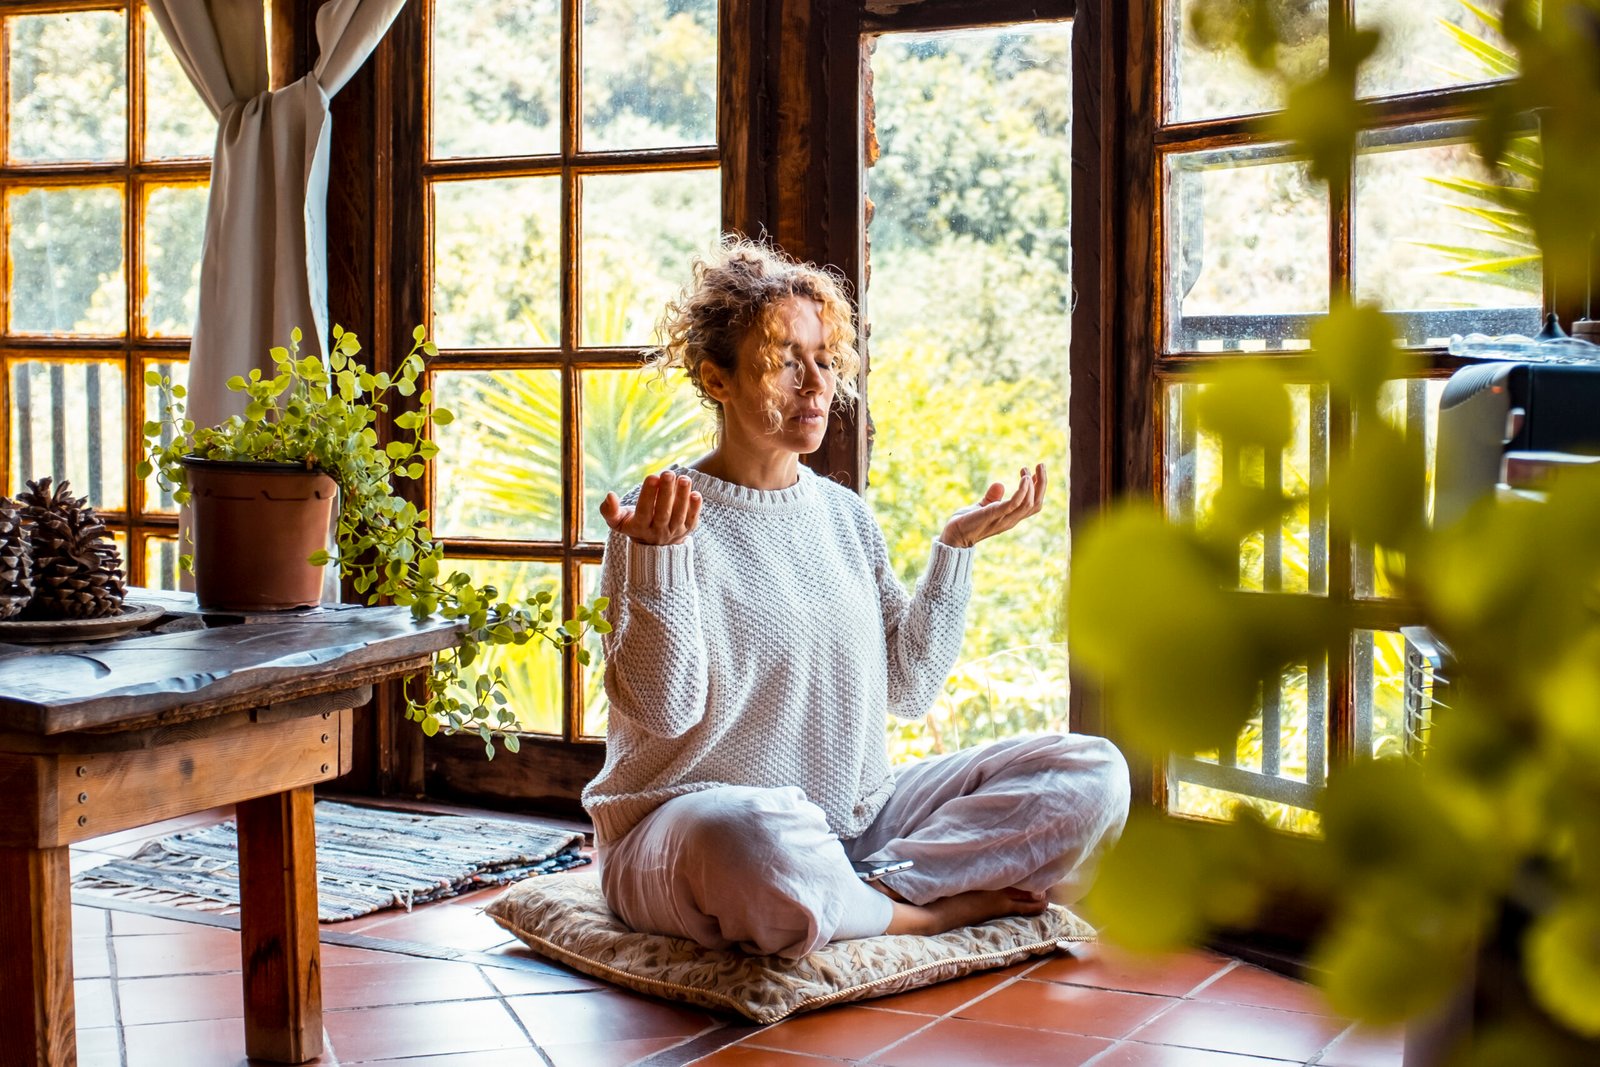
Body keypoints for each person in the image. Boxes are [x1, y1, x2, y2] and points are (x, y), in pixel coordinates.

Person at [581, 237, 1129, 959]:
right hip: (687, 830)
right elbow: (663, 709)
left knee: (1094, 771)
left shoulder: (846, 517)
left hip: (853, 824)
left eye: (824, 358)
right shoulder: (659, 517)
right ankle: (919, 915)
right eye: (785, 361)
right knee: (749, 839)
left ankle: (865, 891)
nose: (816, 384)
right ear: (717, 379)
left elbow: (908, 686)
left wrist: (954, 553)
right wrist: (656, 563)